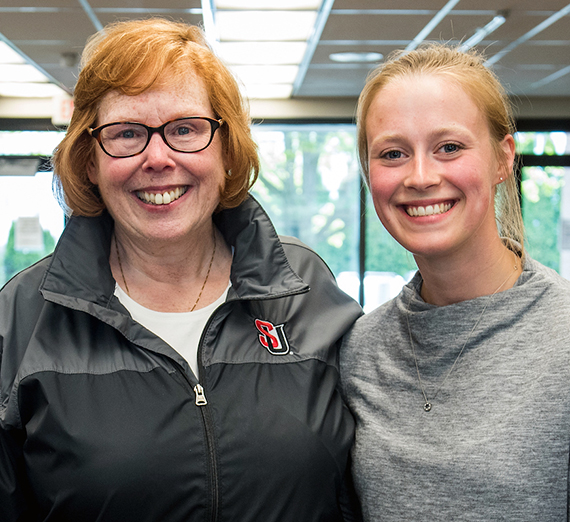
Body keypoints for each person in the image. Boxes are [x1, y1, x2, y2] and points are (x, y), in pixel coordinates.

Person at [0, 18, 363, 521]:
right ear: (89, 161)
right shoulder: (25, 314)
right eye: (126, 133)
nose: (157, 157)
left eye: (185, 129)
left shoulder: (304, 287)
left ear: (226, 148)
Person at [340, 43, 570, 521]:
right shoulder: (361, 349)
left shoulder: (562, 338)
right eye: (393, 153)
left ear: (503, 158)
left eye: (449, 147)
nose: (421, 177)